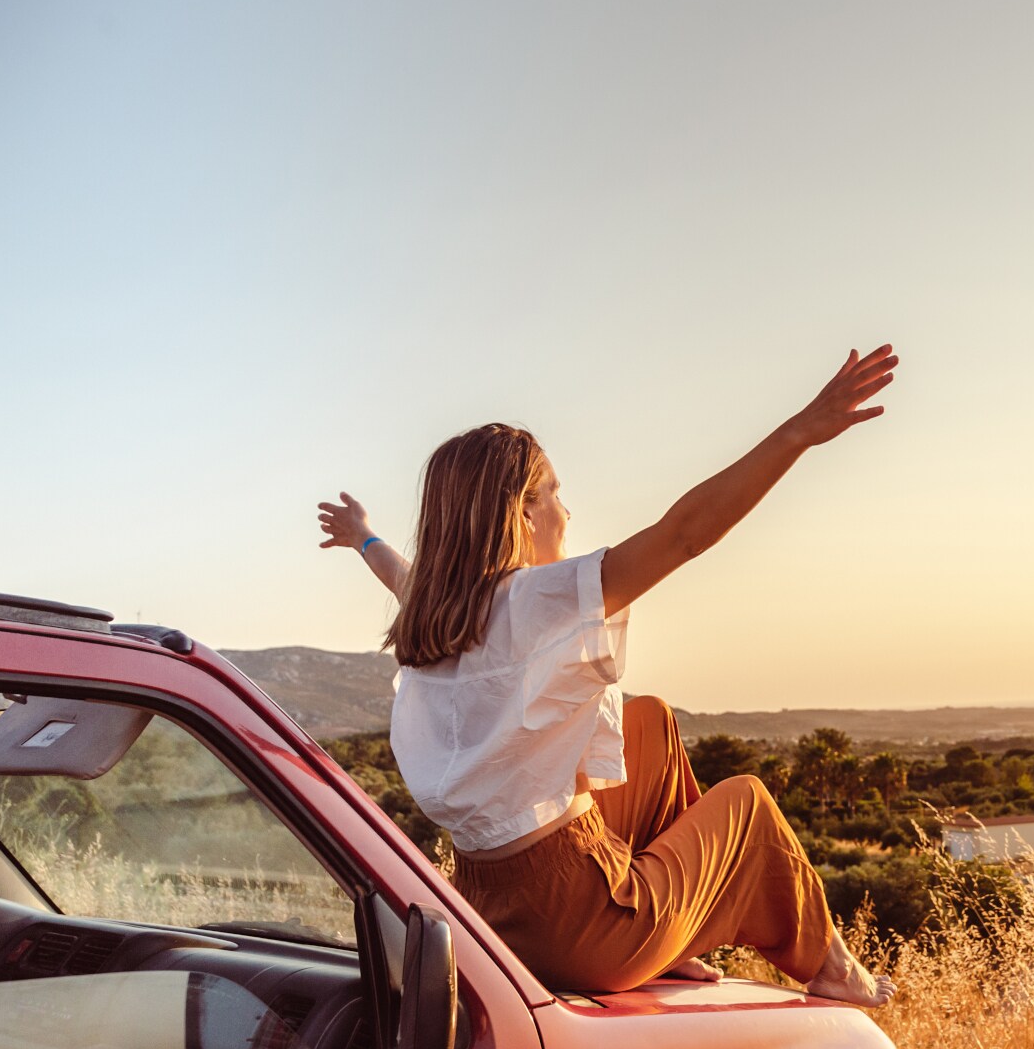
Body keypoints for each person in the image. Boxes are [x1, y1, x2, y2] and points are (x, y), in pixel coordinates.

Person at [316, 346, 899, 1006]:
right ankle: (833, 968)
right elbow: (683, 535)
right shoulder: (534, 597)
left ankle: (678, 938)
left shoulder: (439, 608)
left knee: (647, 721)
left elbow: (398, 572)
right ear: (522, 513)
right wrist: (799, 431)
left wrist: (362, 534)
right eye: (554, 493)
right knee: (749, 806)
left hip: (493, 906)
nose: (565, 510)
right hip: (586, 922)